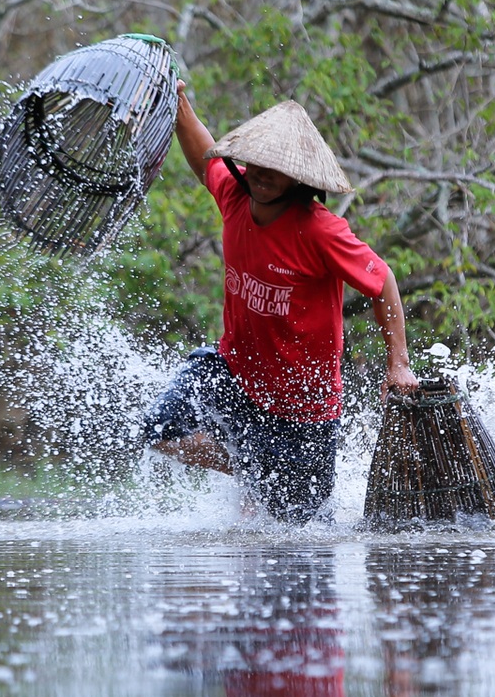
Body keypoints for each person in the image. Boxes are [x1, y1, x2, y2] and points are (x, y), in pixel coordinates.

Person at [142, 88, 420, 522]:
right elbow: (204, 161)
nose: (263, 175)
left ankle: (266, 477)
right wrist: (179, 107)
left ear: (298, 179)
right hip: (233, 369)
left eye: (277, 169)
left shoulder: (320, 230)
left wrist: (397, 363)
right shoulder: (234, 198)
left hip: (304, 406)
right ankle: (252, 469)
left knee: (299, 532)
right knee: (159, 429)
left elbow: (382, 280)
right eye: (257, 164)